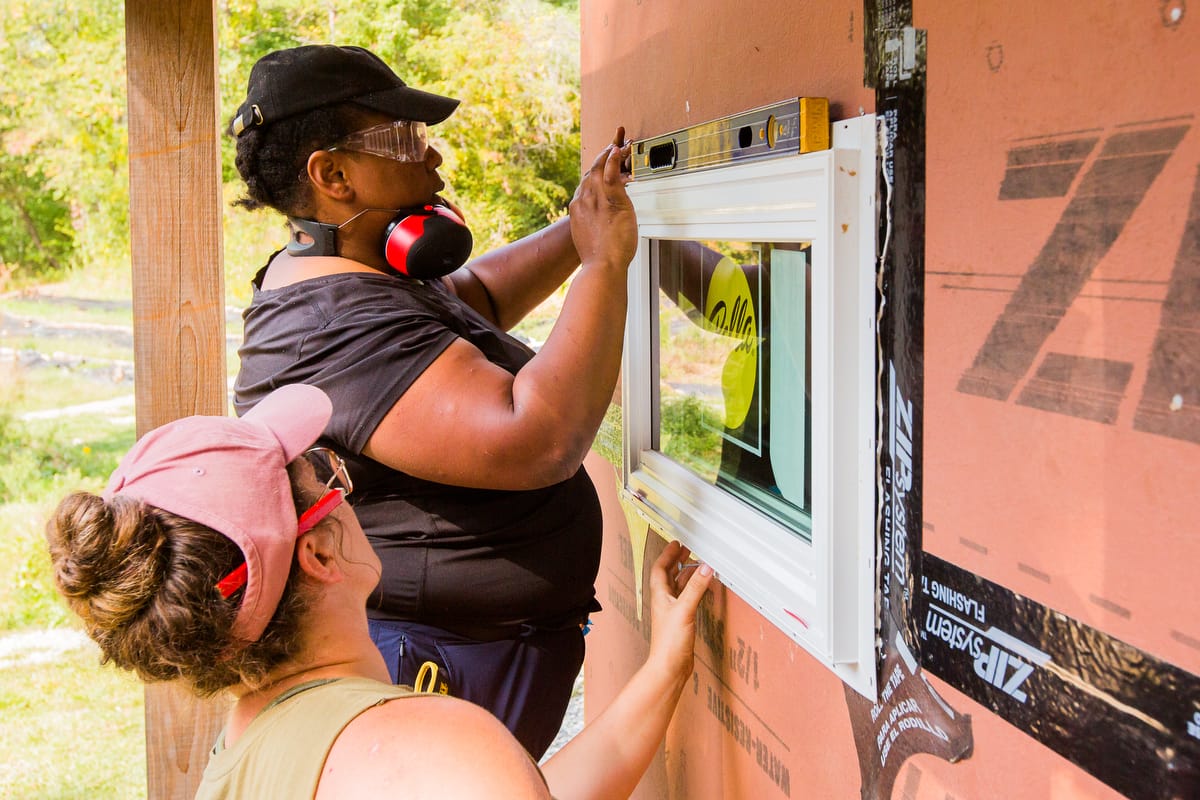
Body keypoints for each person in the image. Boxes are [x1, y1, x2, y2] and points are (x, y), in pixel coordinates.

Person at [226, 43, 636, 757]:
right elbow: (537, 436)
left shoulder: (346, 271)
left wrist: (579, 229)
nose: (432, 159)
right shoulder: (332, 327)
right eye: (405, 139)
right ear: (332, 175)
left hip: (475, 647)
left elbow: (472, 298)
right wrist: (603, 263)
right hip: (445, 661)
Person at [45, 383, 714, 799]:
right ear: (319, 551)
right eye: (321, 472)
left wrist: (665, 668)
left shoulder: (253, 741)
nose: (344, 488)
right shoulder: (432, 744)